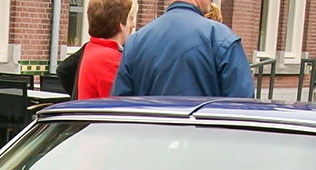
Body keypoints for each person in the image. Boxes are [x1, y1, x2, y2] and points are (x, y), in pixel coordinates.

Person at [111, 0, 254, 99]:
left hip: (151, 140)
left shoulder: (136, 42)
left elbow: (120, 107)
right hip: (206, 140)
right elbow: (242, 107)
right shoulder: (222, 38)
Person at [77, 0, 136, 99]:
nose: (133, 24)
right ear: (121, 25)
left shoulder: (93, 48)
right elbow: (121, 104)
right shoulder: (110, 60)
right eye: (130, 19)